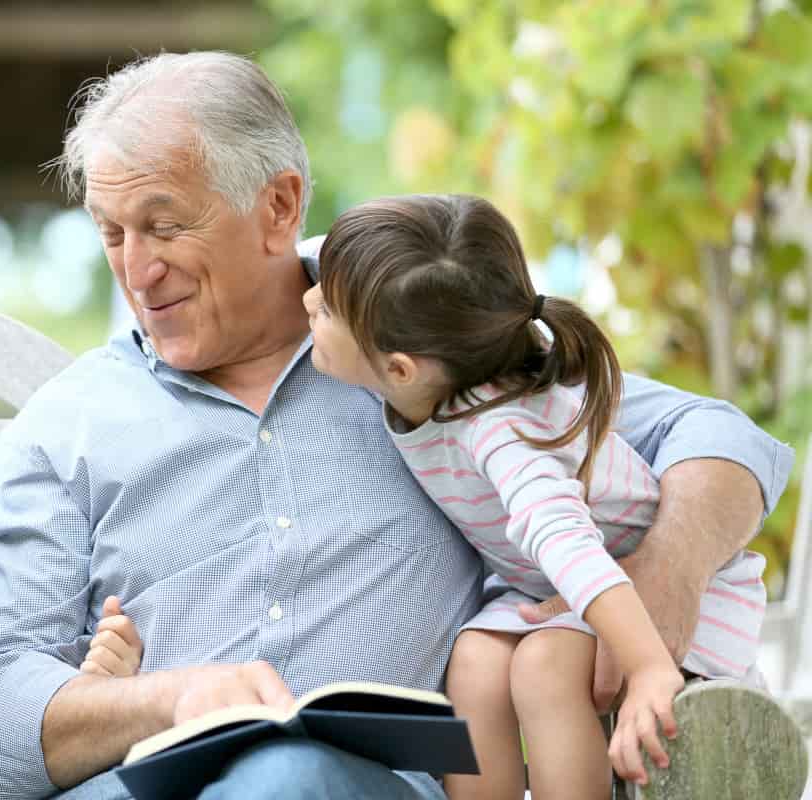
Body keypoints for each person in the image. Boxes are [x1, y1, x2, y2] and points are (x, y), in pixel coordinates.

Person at [0, 51, 793, 800]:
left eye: (166, 226)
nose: (140, 269)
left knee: (286, 779)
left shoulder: (419, 348)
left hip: (358, 785)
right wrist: (170, 699)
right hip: (139, 785)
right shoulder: (67, 424)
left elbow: (724, 440)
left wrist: (664, 574)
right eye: (112, 235)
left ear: (280, 207)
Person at [302, 195, 768, 799]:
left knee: (545, 668)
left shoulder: (503, 431)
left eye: (329, 307)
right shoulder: (437, 371)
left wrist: (651, 665)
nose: (308, 298)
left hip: (647, 601)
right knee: (473, 662)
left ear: (399, 370)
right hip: (550, 592)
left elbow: (567, 542)